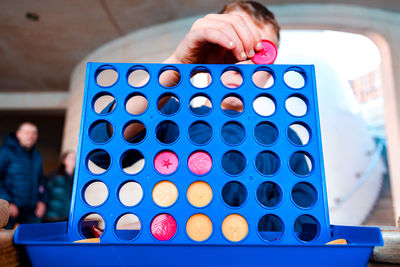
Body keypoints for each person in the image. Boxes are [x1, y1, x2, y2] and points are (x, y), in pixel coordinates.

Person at [93, 0, 312, 207]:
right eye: (229, 48)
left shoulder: (284, 137)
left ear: (269, 70)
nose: (240, 63)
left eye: (259, 54)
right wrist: (178, 63)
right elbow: (102, 147)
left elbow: (302, 221)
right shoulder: (171, 114)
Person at [0, 122, 46, 229]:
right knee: (7, 243)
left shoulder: (37, 155)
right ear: (18, 134)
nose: (31, 136)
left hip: (32, 210)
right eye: (27, 132)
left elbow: (41, 180)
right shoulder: (5, 152)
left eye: (34, 133)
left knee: (33, 240)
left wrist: (42, 201)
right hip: (11, 208)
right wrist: (7, 203)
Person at [44, 151, 76, 222]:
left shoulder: (76, 180)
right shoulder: (55, 175)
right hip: (52, 216)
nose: (73, 160)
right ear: (64, 160)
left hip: (66, 217)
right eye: (70, 158)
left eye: (75, 158)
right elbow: (45, 192)